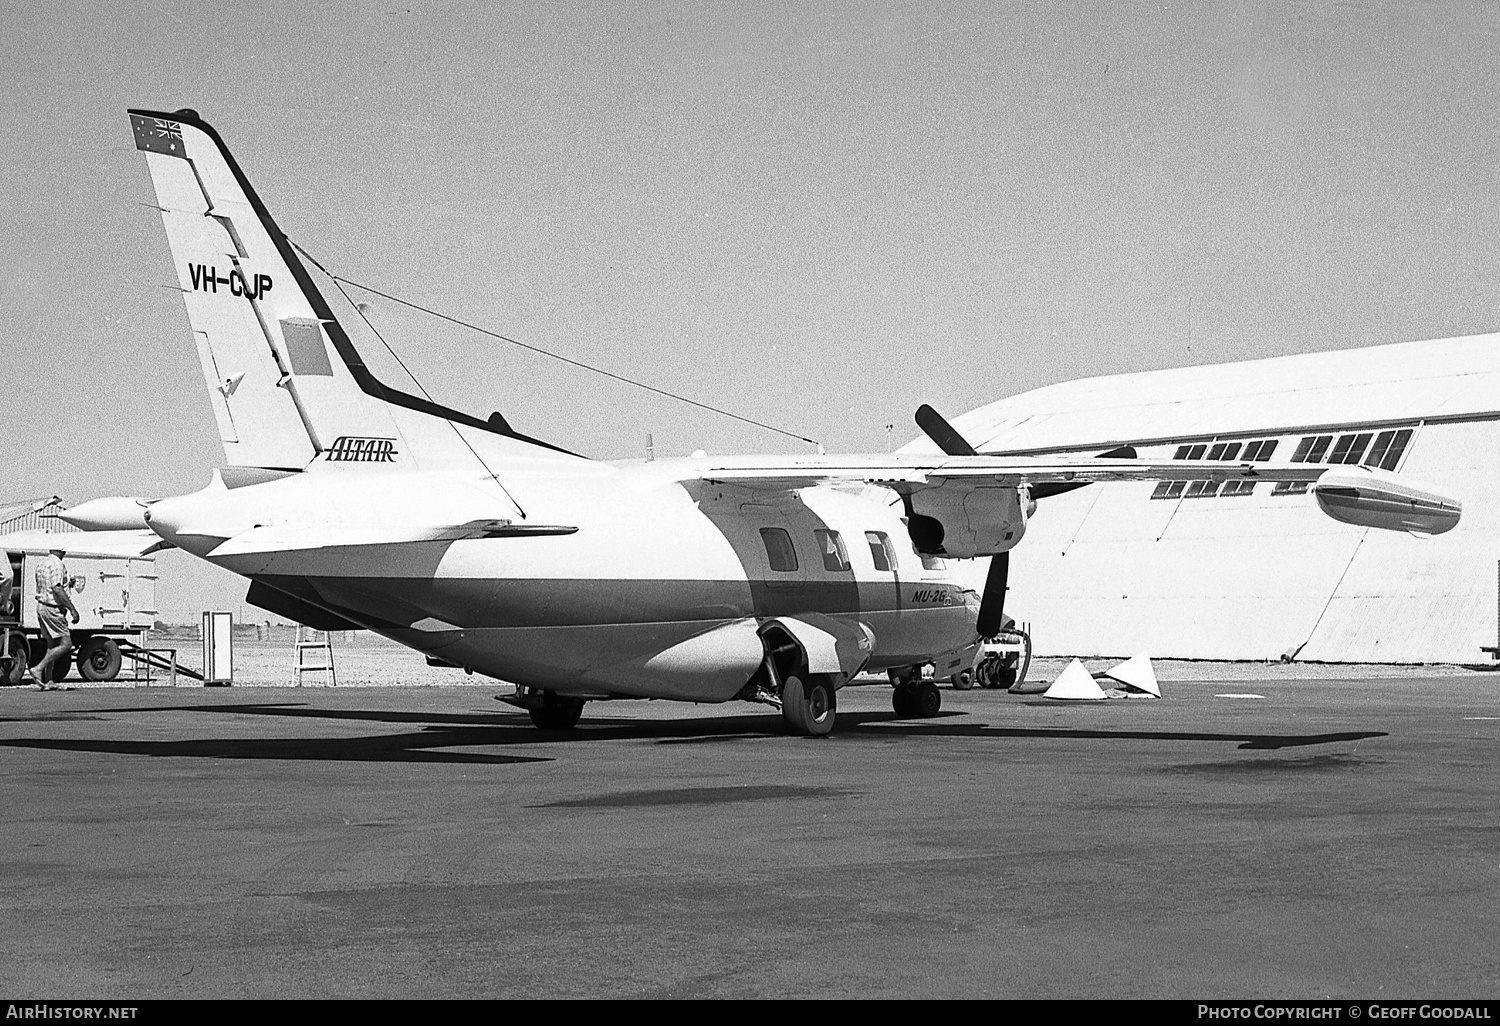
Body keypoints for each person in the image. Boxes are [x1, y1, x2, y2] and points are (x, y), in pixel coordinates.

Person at [27, 548, 78, 690]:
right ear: (62, 551)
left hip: (41, 605)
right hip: (52, 607)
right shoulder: (57, 565)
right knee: (66, 644)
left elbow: (48, 586)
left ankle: (49, 680)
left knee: (52, 644)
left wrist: (68, 584)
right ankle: (38, 668)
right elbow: (56, 588)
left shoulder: (42, 564)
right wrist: (72, 609)